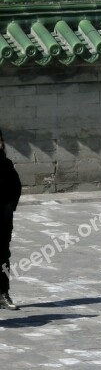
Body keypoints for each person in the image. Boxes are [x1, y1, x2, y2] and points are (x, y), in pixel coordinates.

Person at [0, 129, 22, 311]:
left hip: (2, 220)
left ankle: (3, 294)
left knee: (3, 257)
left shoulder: (6, 164)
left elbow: (16, 188)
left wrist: (9, 209)